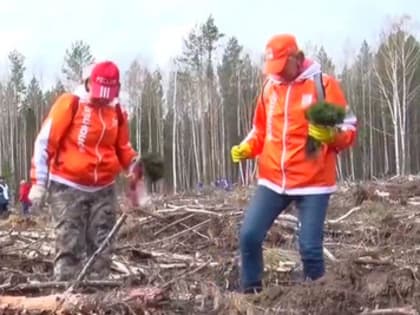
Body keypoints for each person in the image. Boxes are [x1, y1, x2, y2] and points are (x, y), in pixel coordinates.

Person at [231, 34, 358, 293]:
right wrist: (247, 147)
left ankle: (317, 298)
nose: (276, 74)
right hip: (273, 180)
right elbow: (260, 130)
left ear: (297, 59)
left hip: (313, 182)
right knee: (249, 236)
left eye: (280, 67)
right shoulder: (270, 89)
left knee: (310, 249)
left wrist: (333, 136)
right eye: (272, 69)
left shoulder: (323, 86)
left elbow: (349, 128)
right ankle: (251, 292)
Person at [28, 60, 142, 281]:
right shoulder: (70, 104)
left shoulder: (117, 111)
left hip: (104, 189)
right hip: (68, 187)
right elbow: (44, 143)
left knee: (102, 246)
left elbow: (122, 148)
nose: (103, 98)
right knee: (69, 244)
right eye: (100, 92)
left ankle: (97, 297)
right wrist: (38, 183)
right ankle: (64, 296)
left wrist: (134, 165)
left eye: (109, 93)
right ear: (88, 83)